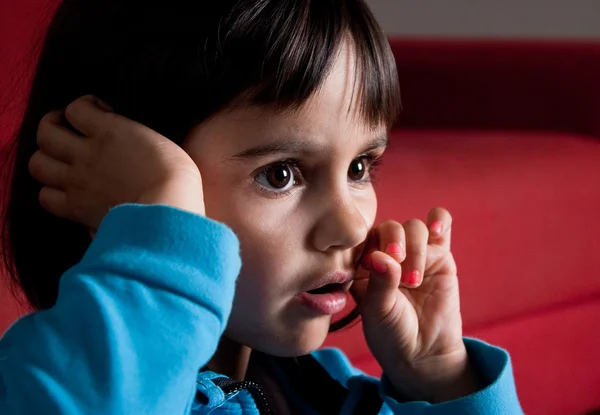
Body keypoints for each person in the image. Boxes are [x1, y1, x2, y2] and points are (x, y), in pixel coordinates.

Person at [0, 1, 523, 414]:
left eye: (361, 167)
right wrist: (161, 219)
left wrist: (438, 377)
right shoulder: (53, 384)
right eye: (281, 174)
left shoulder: (328, 393)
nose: (350, 226)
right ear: (110, 180)